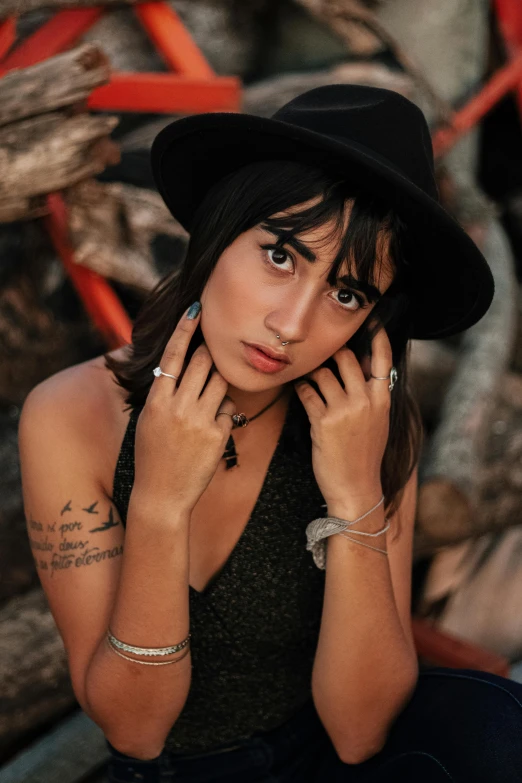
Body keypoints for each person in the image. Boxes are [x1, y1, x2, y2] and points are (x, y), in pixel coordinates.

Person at [18, 85, 522, 783]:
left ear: (370, 324)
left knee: (501, 731)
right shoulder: (71, 416)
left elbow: (359, 730)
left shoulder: (364, 424)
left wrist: (353, 494)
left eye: (347, 293)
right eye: (280, 255)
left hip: (326, 758)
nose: (291, 323)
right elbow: (135, 729)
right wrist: (161, 502)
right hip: (176, 774)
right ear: (220, 234)